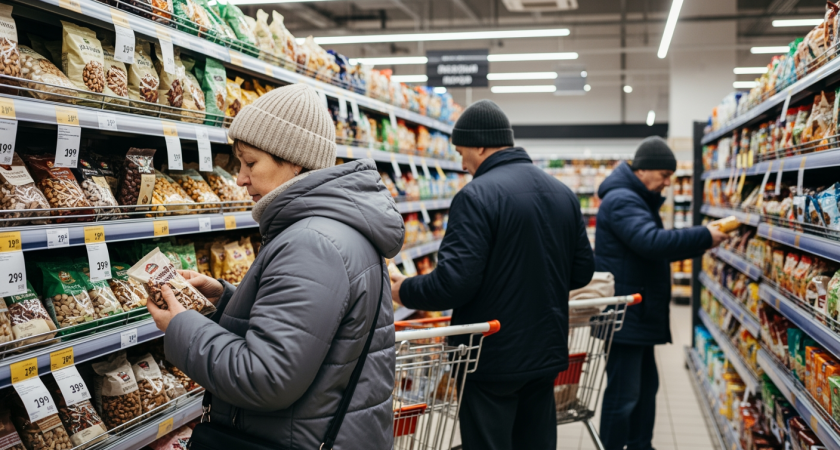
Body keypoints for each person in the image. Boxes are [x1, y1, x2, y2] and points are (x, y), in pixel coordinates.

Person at [146, 84, 403, 449]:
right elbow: (308, 333)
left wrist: (180, 327)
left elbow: (266, 376)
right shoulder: (328, 230)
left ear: (294, 160)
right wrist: (224, 301)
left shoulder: (313, 243)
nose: (240, 178)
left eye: (250, 162)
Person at [391, 99, 595, 450]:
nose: (461, 162)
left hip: (492, 358)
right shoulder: (563, 194)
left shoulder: (477, 196)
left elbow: (454, 284)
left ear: (481, 145)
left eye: (461, 151)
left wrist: (402, 290)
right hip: (545, 351)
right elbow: (582, 271)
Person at [595, 136, 727, 450]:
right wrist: (705, 236)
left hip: (636, 311)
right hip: (625, 313)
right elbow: (652, 243)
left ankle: (641, 445)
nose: (668, 184)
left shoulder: (634, 197)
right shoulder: (622, 200)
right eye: (664, 176)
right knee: (623, 395)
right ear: (642, 170)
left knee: (644, 389)